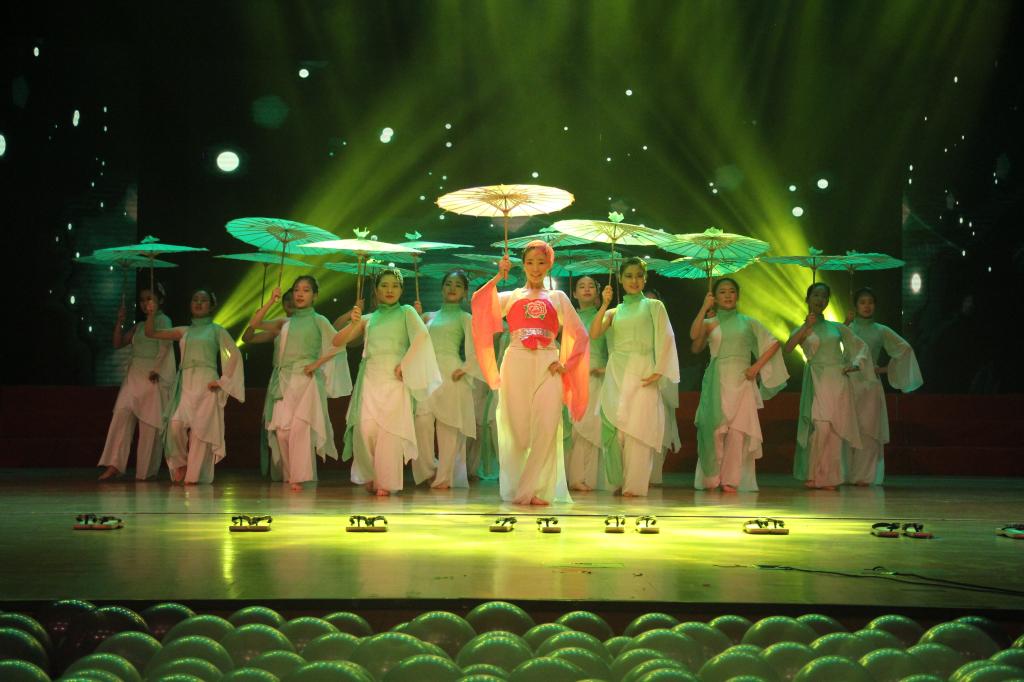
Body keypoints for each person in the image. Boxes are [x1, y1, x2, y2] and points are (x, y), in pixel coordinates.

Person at [471, 241, 590, 505]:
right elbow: (479, 304)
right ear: (523, 265)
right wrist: (498, 276)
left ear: (550, 265)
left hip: (548, 364)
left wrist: (566, 365)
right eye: (530, 263)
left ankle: (532, 490)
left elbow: (581, 336)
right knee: (518, 431)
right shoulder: (511, 296)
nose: (535, 268)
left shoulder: (558, 298)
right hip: (516, 362)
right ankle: (519, 487)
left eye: (541, 262)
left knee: (546, 426)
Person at [332, 269, 441, 496]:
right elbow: (336, 341)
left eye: (395, 285)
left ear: (401, 289)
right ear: (376, 290)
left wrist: (406, 364)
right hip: (370, 380)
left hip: (395, 380)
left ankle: (386, 483)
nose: (389, 290)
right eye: (384, 285)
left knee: (389, 433)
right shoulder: (368, 319)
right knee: (366, 429)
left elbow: (421, 337)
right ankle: (371, 475)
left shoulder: (407, 311)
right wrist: (353, 322)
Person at [247, 276, 352, 491]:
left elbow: (338, 345)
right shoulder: (285, 322)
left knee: (300, 429)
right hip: (283, 380)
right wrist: (271, 300)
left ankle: (299, 476)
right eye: (296, 290)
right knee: (282, 432)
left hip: (306, 380)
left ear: (315, 295)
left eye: (306, 290)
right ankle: (290, 474)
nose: (300, 294)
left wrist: (317, 364)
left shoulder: (319, 320)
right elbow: (255, 324)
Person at [589, 257, 679, 497]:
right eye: (628, 276)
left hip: (643, 370)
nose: (634, 280)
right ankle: (619, 480)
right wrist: (604, 304)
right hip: (617, 371)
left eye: (639, 275)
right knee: (616, 428)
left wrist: (659, 369)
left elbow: (666, 337)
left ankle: (635, 486)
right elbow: (595, 333)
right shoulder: (614, 311)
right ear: (620, 279)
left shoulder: (654, 306)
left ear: (645, 278)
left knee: (639, 428)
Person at [690, 278, 788, 492]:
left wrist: (756, 367)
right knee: (713, 429)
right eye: (722, 292)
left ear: (738, 295)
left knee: (737, 432)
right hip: (716, 379)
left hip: (742, 379)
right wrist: (704, 308)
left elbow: (773, 343)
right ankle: (711, 476)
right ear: (715, 297)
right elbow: (694, 340)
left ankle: (730, 480)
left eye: (731, 291)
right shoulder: (710, 321)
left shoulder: (748, 322)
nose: (727, 295)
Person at [145, 288, 244, 484]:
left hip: (207, 383)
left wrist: (223, 381)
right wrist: (151, 313)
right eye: (195, 299)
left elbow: (234, 353)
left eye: (203, 300)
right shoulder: (184, 331)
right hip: (186, 383)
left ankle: (193, 476)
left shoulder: (216, 330)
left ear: (211, 305)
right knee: (175, 425)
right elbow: (151, 333)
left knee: (200, 432)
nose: (198, 303)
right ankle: (181, 463)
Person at [785, 282, 870, 490]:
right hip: (817, 378)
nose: (820, 299)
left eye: (824, 296)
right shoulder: (803, 328)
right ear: (807, 299)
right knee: (821, 428)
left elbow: (860, 346)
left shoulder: (836, 327)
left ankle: (829, 477)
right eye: (816, 295)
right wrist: (806, 327)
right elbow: (788, 348)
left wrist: (855, 364)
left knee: (834, 429)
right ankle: (813, 473)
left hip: (837, 380)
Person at [844, 287, 923, 485]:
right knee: (848, 428)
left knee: (869, 430)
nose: (867, 306)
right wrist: (845, 324)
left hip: (870, 385)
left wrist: (883, 369)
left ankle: (865, 476)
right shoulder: (848, 328)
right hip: (849, 384)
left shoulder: (881, 330)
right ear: (855, 306)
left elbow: (905, 350)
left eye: (870, 302)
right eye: (862, 302)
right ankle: (845, 473)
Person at [412, 270, 483, 489]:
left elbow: (477, 348)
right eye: (449, 284)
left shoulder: (465, 317)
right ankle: (429, 470)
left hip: (452, 374)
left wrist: (465, 368)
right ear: (442, 288)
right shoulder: (428, 316)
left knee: (448, 427)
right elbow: (414, 342)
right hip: (428, 374)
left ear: (465, 292)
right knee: (422, 422)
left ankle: (444, 477)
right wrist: (416, 317)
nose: (452, 288)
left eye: (458, 285)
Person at [97, 286, 176, 480]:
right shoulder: (140, 326)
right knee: (121, 415)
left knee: (149, 424)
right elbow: (118, 343)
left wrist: (157, 369)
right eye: (142, 300)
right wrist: (120, 321)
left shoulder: (164, 320)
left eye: (149, 298)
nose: (145, 303)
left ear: (159, 301)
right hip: (134, 375)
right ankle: (114, 464)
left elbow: (166, 347)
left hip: (152, 374)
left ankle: (145, 471)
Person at [243, 288, 295, 481]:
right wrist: (257, 316)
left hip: (299, 378)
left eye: (293, 298)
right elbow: (248, 338)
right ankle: (280, 471)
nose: (290, 302)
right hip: (279, 379)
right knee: (275, 425)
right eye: (286, 300)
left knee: (296, 425)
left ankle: (297, 471)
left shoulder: (310, 322)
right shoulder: (279, 325)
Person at [565, 276, 607, 492]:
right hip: (573, 376)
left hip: (596, 376)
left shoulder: (605, 316)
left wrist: (605, 368)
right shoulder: (568, 318)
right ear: (574, 293)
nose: (587, 289)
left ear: (597, 292)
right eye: (581, 286)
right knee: (574, 427)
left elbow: (613, 347)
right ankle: (574, 476)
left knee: (592, 426)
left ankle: (587, 478)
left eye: (591, 286)